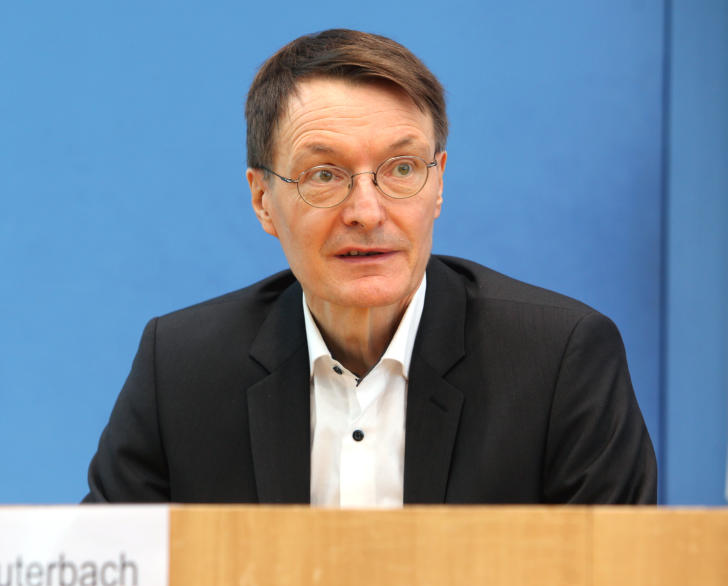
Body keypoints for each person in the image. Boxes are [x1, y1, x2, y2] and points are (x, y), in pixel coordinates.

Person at [82, 29, 657, 505]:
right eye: (324, 175)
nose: (366, 211)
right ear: (262, 200)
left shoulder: (559, 361)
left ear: (438, 183)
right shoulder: (182, 368)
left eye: (402, 168)